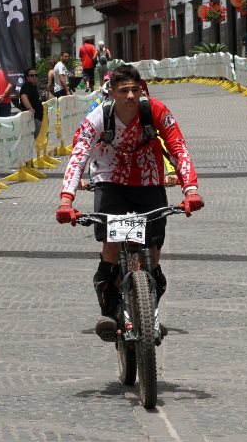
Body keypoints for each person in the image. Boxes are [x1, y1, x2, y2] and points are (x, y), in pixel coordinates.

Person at [54, 64, 204, 338]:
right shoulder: (98, 117)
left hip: (148, 177)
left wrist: (190, 190)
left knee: (154, 252)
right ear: (111, 93)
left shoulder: (156, 110)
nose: (131, 96)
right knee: (111, 247)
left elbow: (178, 148)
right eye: (124, 91)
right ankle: (110, 312)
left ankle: (148, 313)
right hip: (110, 178)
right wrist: (66, 200)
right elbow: (78, 158)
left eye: (136, 90)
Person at [19, 67, 43, 139]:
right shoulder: (26, 86)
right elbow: (23, 96)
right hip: (33, 119)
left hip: (38, 117)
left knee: (35, 140)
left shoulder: (33, 86)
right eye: (32, 75)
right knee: (32, 140)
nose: (34, 77)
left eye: (36, 75)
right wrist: (30, 109)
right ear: (27, 77)